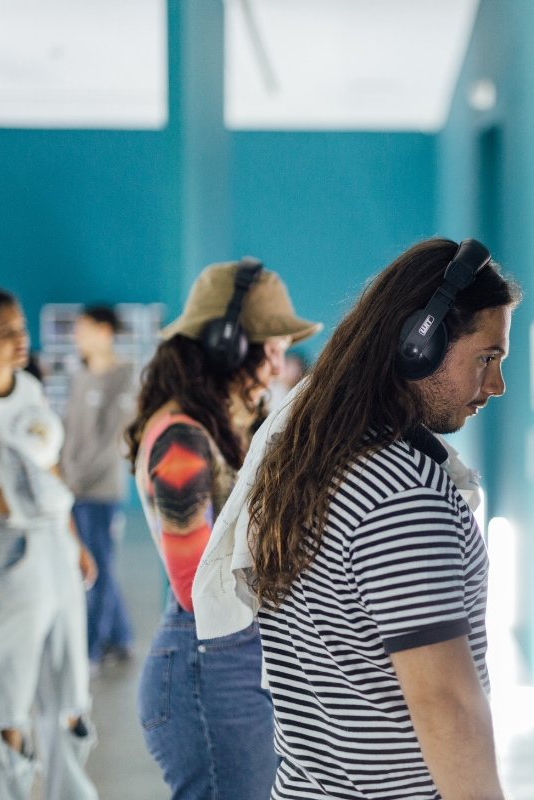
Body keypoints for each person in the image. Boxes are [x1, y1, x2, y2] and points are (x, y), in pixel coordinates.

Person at [246, 238, 519, 799]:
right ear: (421, 344)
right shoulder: (401, 495)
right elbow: (445, 706)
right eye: (487, 358)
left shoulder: (309, 460)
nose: (496, 385)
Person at [126, 260, 320, 799]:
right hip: (205, 667)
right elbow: (195, 586)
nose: (279, 366)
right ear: (229, 345)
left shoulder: (224, 428)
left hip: (234, 655)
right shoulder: (180, 440)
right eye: (272, 348)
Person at [0, 287, 100, 800]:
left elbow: (49, 467)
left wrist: (74, 539)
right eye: (4, 332)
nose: (19, 340)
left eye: (22, 329)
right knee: (7, 698)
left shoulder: (31, 386)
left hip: (54, 545)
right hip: (6, 559)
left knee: (71, 689)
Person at [60, 306, 135, 669]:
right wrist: (62, 475)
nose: (77, 335)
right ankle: (121, 636)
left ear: (105, 331)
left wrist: (74, 479)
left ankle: (91, 647)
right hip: (72, 488)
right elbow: (69, 430)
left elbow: (113, 441)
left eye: (83, 328)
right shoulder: (80, 375)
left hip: (100, 492)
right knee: (95, 562)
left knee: (97, 567)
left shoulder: (126, 376)